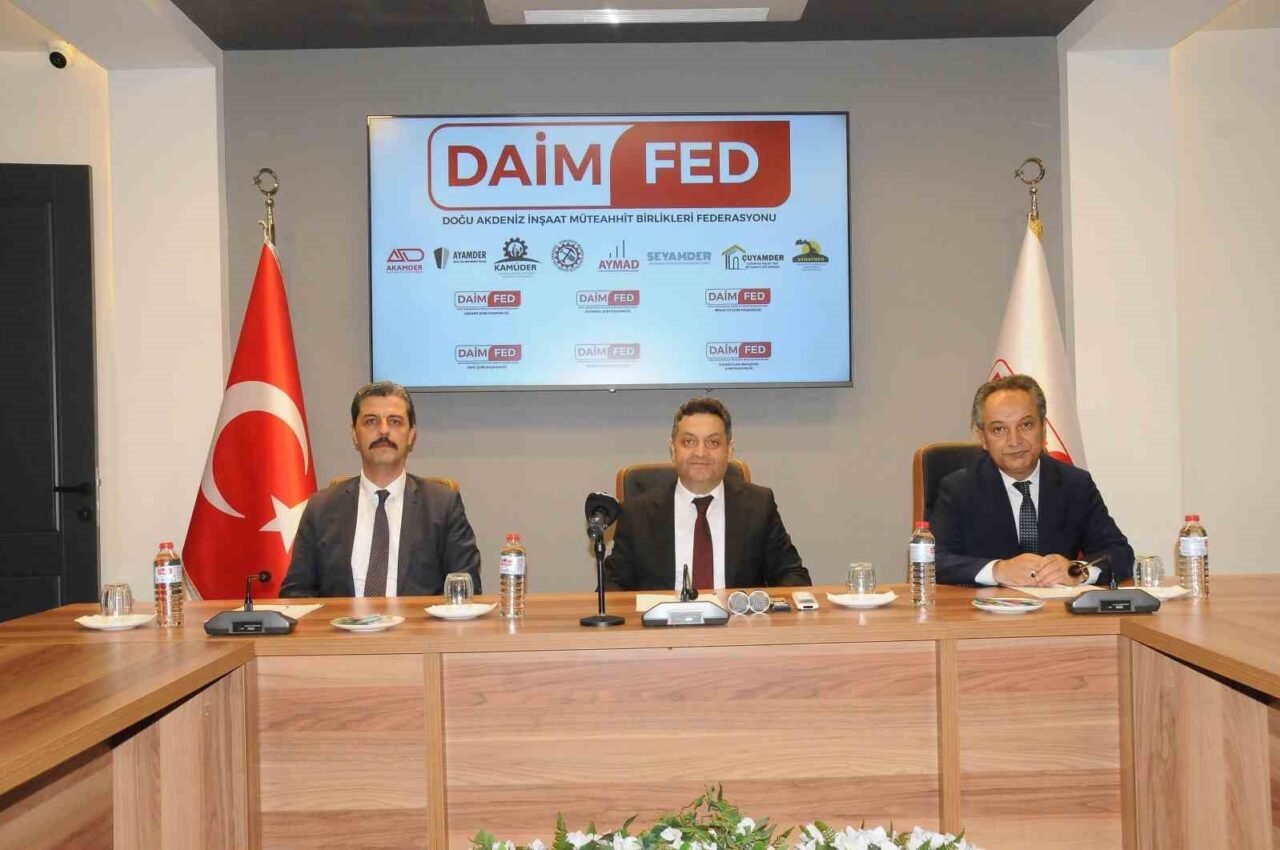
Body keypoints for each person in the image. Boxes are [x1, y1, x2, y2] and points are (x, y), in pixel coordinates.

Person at [929, 374, 1133, 587]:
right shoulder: (959, 489)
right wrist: (997, 570)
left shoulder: (1075, 484)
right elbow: (933, 561)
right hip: (984, 607)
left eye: (1026, 425)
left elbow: (1119, 553)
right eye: (999, 429)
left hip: (1057, 607)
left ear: (1043, 429)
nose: (1015, 441)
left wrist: (1078, 571)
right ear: (983, 438)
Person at [281, 381, 481, 597]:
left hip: (416, 620)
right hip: (341, 620)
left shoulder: (442, 506)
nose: (383, 430)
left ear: (411, 435)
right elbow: (296, 594)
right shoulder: (320, 508)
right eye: (371, 421)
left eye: (395, 421)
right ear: (354, 434)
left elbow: (466, 591)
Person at [603, 397, 810, 591]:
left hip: (735, 617)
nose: (701, 453)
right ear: (673, 450)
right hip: (662, 618)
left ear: (729, 451)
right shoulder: (637, 514)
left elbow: (793, 575)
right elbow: (612, 588)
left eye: (713, 443)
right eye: (689, 442)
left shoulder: (759, 506)